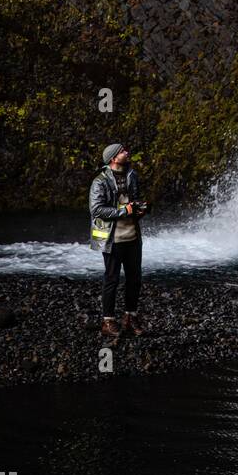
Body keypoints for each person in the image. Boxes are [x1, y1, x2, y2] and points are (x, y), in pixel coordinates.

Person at [89, 142, 148, 341]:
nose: (126, 152)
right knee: (111, 279)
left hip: (133, 237)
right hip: (112, 239)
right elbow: (96, 209)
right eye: (122, 151)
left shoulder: (133, 175)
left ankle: (130, 317)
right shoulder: (100, 181)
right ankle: (108, 321)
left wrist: (142, 209)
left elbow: (135, 200)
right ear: (113, 158)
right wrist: (124, 211)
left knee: (135, 279)